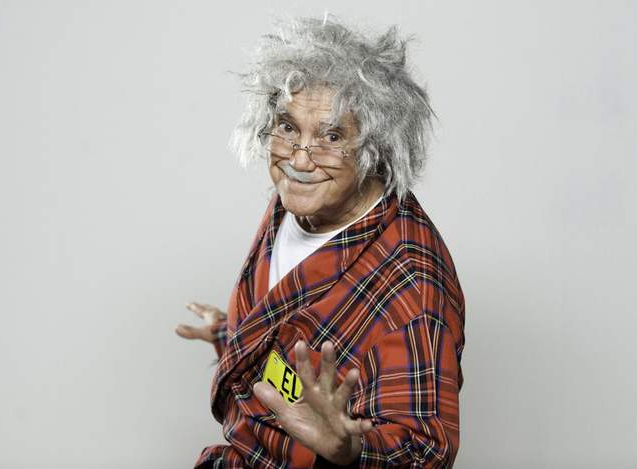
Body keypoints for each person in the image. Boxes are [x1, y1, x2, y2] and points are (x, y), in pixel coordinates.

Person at [176, 15, 466, 468]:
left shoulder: (412, 287)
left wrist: (350, 449)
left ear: (376, 150)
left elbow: (424, 449)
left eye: (331, 136)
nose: (299, 159)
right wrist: (233, 333)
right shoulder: (299, 200)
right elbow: (288, 334)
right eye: (288, 127)